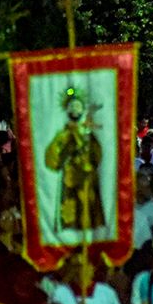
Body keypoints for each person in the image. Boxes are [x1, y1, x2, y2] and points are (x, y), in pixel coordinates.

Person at [44, 90, 105, 231]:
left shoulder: (89, 132)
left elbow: (97, 155)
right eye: (72, 107)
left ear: (83, 110)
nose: (75, 110)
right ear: (67, 110)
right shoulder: (62, 134)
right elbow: (52, 159)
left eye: (78, 107)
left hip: (88, 179)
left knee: (90, 215)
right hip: (70, 179)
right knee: (70, 218)